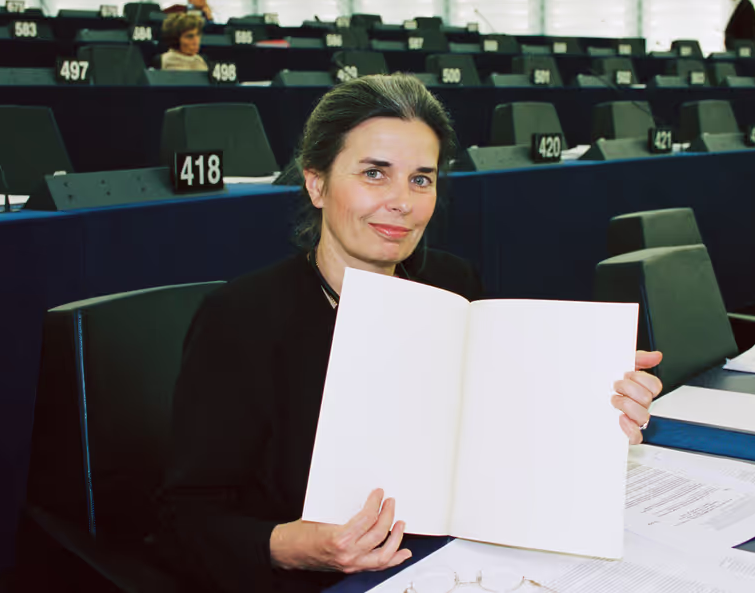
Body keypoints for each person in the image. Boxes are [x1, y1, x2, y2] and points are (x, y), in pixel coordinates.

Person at [157, 74, 663, 593]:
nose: (403, 201)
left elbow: (493, 431)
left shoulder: (453, 284)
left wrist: (597, 414)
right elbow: (188, 520)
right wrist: (295, 548)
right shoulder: (241, 318)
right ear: (316, 183)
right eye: (375, 173)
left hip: (455, 563)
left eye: (422, 178)